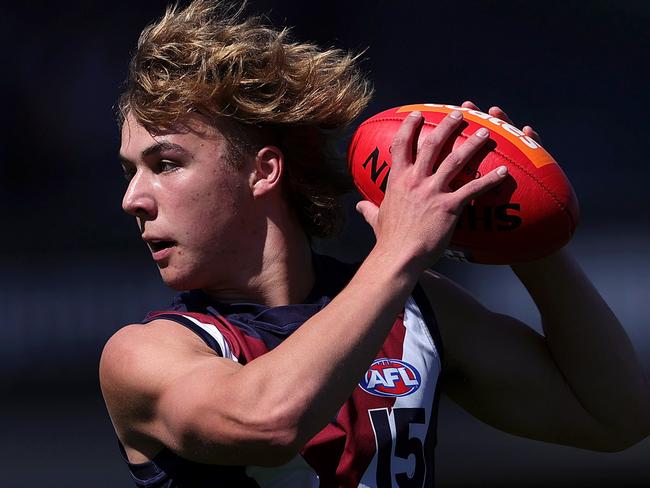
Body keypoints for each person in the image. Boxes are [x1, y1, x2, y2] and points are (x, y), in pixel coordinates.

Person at [100, 1, 650, 486]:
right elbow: (265, 422)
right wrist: (398, 252)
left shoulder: (415, 308)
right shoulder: (143, 355)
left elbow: (615, 419)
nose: (132, 199)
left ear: (262, 171)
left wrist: (526, 228)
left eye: (165, 164)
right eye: (130, 171)